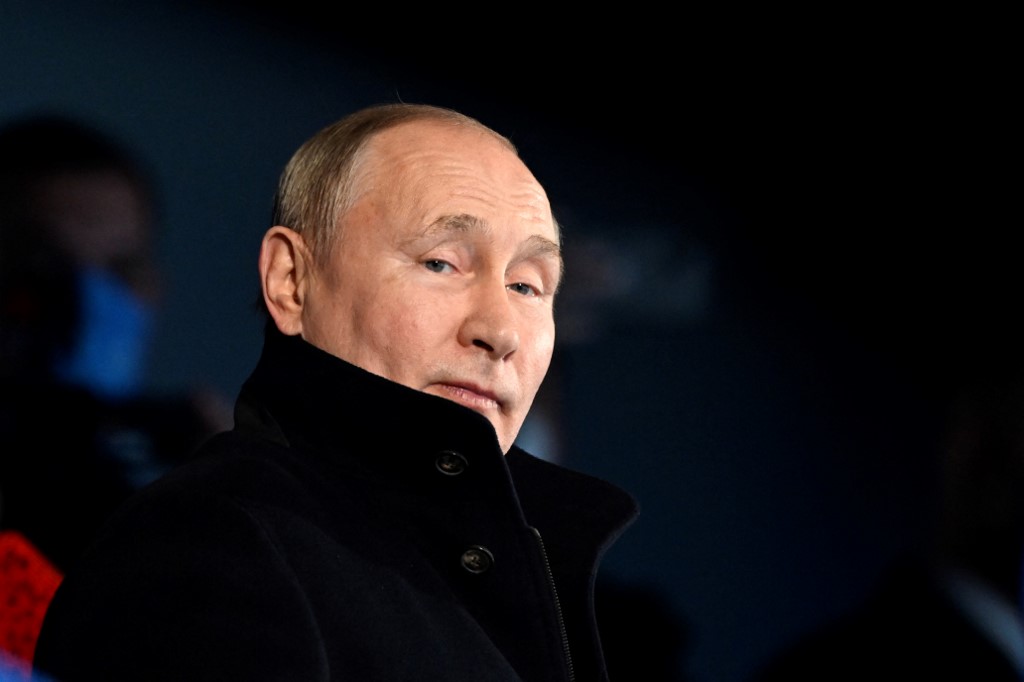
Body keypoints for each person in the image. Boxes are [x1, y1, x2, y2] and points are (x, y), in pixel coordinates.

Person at [33, 102, 639, 681]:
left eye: (529, 286)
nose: (501, 330)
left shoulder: (541, 581)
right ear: (291, 280)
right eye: (440, 263)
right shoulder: (213, 541)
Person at [0, 115, 229, 670]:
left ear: (151, 286)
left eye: (121, 271)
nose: (90, 303)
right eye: (44, 267)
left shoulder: (188, 464)